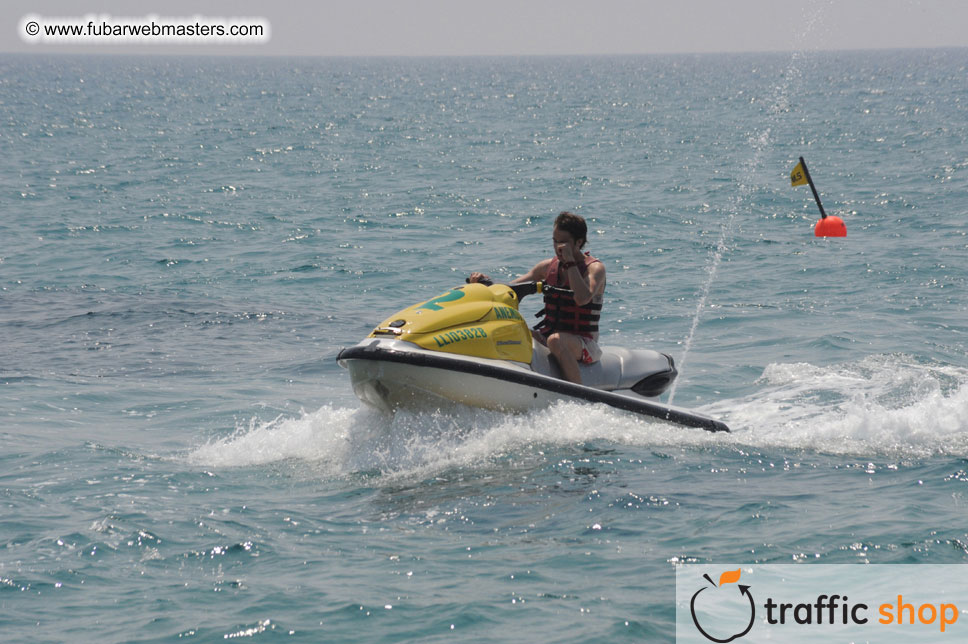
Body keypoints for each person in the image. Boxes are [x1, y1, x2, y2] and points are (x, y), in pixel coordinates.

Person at [469, 211, 605, 385]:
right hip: (548, 335)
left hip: (584, 343)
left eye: (563, 242)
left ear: (578, 242)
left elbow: (582, 298)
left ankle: (578, 394)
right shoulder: (548, 267)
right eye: (555, 241)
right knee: (510, 331)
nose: (558, 247)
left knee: (556, 340)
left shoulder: (595, 269)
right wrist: (484, 283)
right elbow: (510, 288)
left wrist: (571, 262)